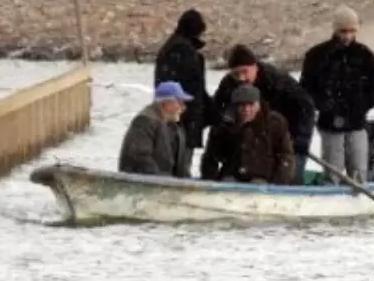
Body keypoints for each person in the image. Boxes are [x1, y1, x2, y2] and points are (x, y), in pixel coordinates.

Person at [299, 6, 374, 184]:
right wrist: (325, 106)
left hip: (358, 122)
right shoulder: (317, 55)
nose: (347, 35)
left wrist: (363, 105)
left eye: (352, 31)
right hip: (330, 123)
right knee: (333, 173)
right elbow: (306, 88)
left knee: (359, 174)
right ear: (335, 29)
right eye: (343, 31)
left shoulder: (365, 55)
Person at [212, 44, 315, 184]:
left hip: (287, 132)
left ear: (255, 67)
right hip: (252, 138)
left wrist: (301, 139)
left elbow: (306, 106)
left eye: (245, 72)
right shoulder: (229, 84)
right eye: (236, 74)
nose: (241, 78)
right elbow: (218, 110)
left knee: (290, 174)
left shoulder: (277, 79)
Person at [200, 85, 295, 184]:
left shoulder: (275, 124)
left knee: (258, 183)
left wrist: (277, 184)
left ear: (258, 105)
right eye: (242, 105)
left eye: (251, 105)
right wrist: (209, 181)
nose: (246, 109)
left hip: (264, 177)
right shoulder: (223, 126)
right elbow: (210, 156)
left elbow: (286, 155)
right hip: (232, 176)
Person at [153, 9, 214, 161]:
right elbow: (195, 89)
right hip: (183, 121)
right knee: (180, 164)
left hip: (173, 116)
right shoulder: (184, 51)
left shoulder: (170, 48)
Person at [117, 81, 194, 177]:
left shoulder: (173, 127)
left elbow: (180, 165)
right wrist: (163, 181)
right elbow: (140, 158)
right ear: (166, 103)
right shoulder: (144, 121)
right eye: (179, 102)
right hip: (143, 184)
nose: (183, 107)